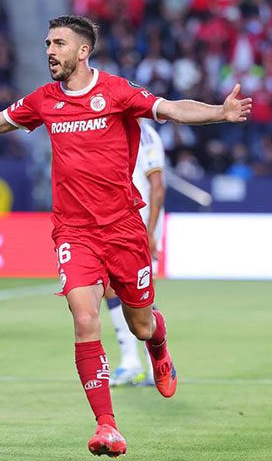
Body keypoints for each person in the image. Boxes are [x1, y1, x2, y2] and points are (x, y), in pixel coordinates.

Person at [0, 15, 251, 458]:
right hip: (74, 231)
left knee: (140, 323)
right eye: (47, 43)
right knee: (84, 316)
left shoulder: (117, 92)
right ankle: (107, 425)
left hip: (123, 229)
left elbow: (171, 108)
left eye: (58, 43)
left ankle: (158, 343)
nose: (50, 51)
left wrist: (219, 112)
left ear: (83, 51)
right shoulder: (44, 100)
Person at [106, 120, 167, 388]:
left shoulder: (145, 135)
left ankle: (155, 363)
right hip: (116, 224)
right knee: (110, 288)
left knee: (140, 292)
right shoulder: (114, 128)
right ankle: (130, 361)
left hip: (140, 225)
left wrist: (150, 231)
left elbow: (157, 185)